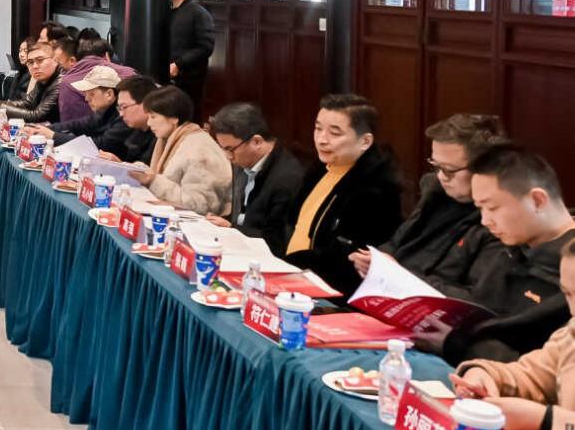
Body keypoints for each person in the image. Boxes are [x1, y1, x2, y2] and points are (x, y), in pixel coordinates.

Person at [435, 145, 575, 363]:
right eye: (480, 208)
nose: (485, 221)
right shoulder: (512, 246)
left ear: (538, 200)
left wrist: (454, 343)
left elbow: (539, 366)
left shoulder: (568, 268)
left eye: (492, 208)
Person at [451, 237, 575, 430]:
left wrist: (545, 421)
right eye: (568, 293)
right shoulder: (571, 334)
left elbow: (544, 419)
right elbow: (530, 376)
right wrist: (483, 375)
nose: (573, 308)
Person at [349, 113, 507, 282]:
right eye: (436, 166)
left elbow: (474, 295)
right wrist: (375, 260)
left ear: (484, 169)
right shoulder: (434, 190)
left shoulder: (497, 221)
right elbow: (396, 244)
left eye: (449, 170)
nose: (441, 177)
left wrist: (400, 275)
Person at [283, 94, 402, 295]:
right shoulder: (321, 167)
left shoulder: (376, 191)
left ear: (365, 141)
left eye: (335, 133)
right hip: (296, 275)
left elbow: (344, 261)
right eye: (318, 128)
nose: (321, 140)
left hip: (332, 292)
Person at [205, 102, 309, 256]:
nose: (228, 157)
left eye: (230, 149)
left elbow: (277, 241)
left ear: (257, 142)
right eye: (223, 149)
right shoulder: (242, 160)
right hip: (236, 248)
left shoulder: (288, 178)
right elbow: (241, 216)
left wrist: (231, 228)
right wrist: (219, 223)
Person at [125, 85, 232, 216]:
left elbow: (200, 205)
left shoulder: (198, 149)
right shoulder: (171, 138)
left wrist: (153, 180)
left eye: (153, 117)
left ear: (174, 118)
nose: (149, 123)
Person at [44, 74, 157, 164]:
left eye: (91, 94)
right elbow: (80, 124)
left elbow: (102, 144)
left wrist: (53, 135)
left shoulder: (154, 134)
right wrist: (48, 129)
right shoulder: (106, 112)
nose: (86, 99)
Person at [55, 34, 136, 122]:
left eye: (92, 94)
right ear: (106, 56)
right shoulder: (131, 74)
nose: (87, 98)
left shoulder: (65, 82)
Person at [169, 0, 215, 111]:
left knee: (187, 113)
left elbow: (205, 46)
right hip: (168, 75)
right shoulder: (169, 11)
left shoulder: (198, 13)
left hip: (188, 77)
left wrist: (179, 64)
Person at [1, 45, 61, 124]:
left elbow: (37, 116)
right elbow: (28, 103)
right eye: (30, 62)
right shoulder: (43, 79)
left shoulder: (60, 83)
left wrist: (1, 107)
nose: (35, 66)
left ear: (55, 60)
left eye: (40, 60)